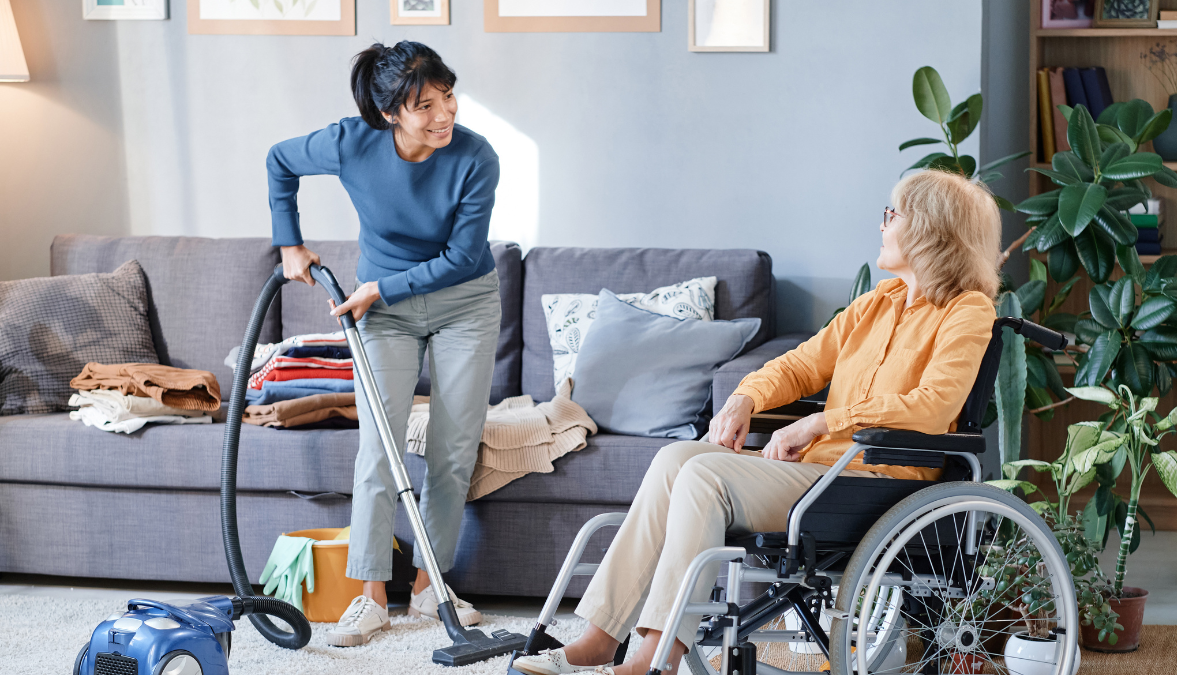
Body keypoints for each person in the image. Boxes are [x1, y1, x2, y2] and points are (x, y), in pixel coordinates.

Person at [512, 169, 1001, 675]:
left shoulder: (967, 311)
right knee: (674, 457)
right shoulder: (878, 303)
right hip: (823, 477)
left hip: (878, 483)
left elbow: (934, 405)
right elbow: (799, 365)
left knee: (704, 475)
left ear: (928, 230)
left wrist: (818, 425)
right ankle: (599, 638)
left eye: (891, 215)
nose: (882, 225)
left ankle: (654, 661)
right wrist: (743, 400)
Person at [266, 41, 501, 647]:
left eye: (447, 96)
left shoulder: (476, 157)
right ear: (391, 112)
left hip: (463, 303)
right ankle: (369, 597)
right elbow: (279, 160)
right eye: (425, 105)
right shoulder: (351, 142)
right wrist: (289, 244)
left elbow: (464, 258)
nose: (444, 113)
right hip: (384, 312)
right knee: (379, 447)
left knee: (452, 448)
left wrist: (381, 289)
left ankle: (428, 586)